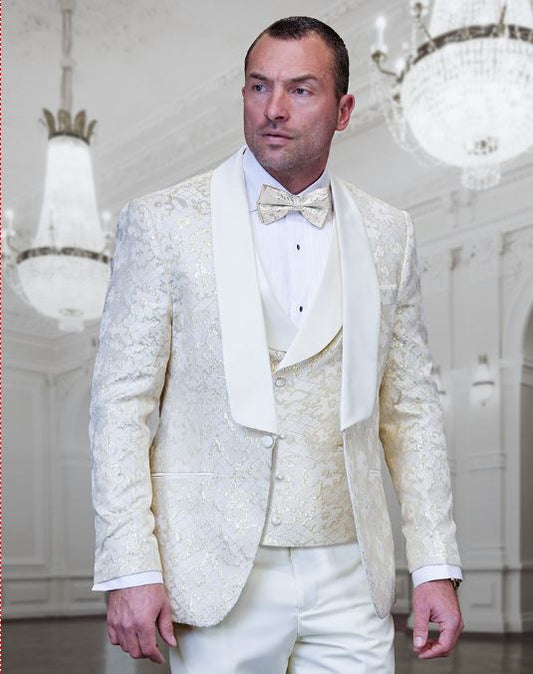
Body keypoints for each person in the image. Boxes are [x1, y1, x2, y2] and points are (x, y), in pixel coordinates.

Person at [89, 16, 464, 673]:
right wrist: (129, 565)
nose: (272, 109)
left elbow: (410, 412)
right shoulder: (161, 223)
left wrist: (434, 564)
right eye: (258, 87)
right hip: (217, 571)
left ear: (343, 109)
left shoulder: (389, 232)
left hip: (351, 570)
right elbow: (121, 408)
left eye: (300, 90)